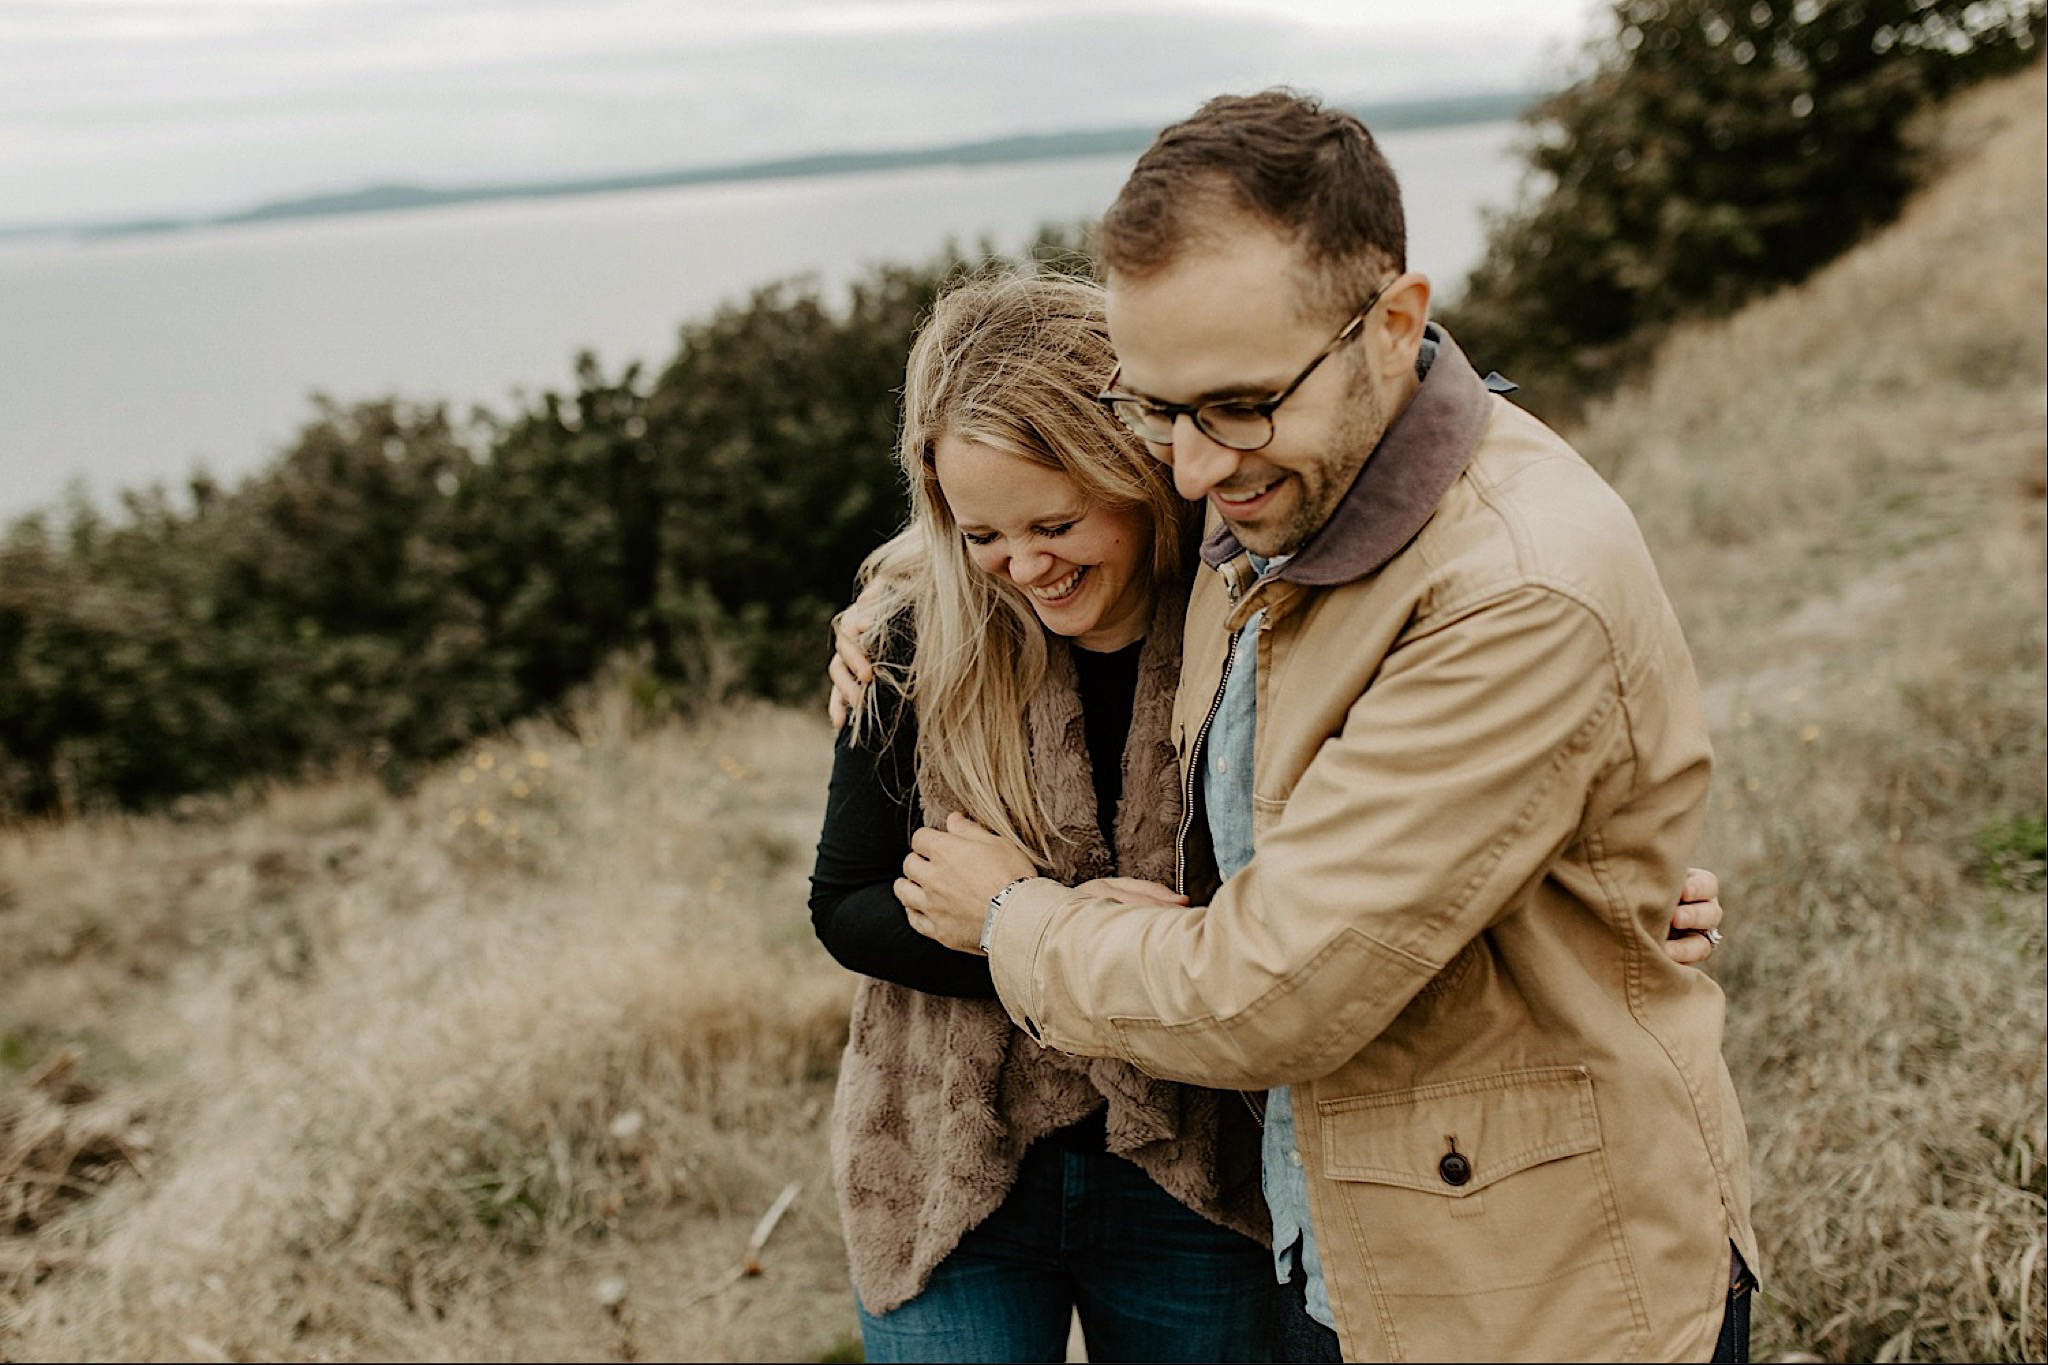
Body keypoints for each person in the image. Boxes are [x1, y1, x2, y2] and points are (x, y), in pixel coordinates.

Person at [892, 92, 1759, 1363]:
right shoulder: (1287, 493)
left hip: (1539, 1296)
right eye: (1158, 410)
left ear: (1394, 324)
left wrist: (1018, 922)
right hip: (1347, 1247)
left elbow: (1268, 992)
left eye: (1235, 405)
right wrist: (901, 592)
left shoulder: (1508, 588)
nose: (1191, 470)